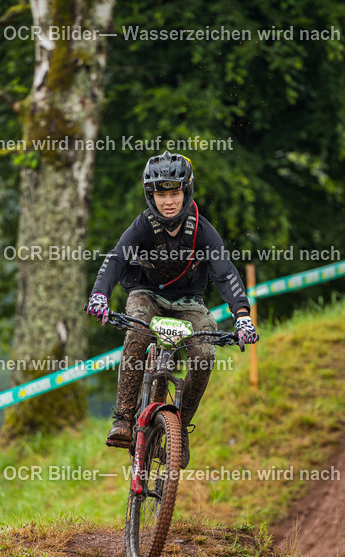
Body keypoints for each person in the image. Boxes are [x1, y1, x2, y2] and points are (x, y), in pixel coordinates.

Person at [85, 151, 258, 468]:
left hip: (190, 304)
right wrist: (99, 296)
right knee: (137, 331)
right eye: (160, 193)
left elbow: (225, 272)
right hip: (146, 296)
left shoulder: (202, 230)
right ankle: (123, 418)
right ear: (150, 194)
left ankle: (180, 428)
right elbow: (116, 259)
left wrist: (243, 317)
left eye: (174, 193)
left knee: (205, 355)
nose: (168, 201)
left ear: (186, 191)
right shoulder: (142, 226)